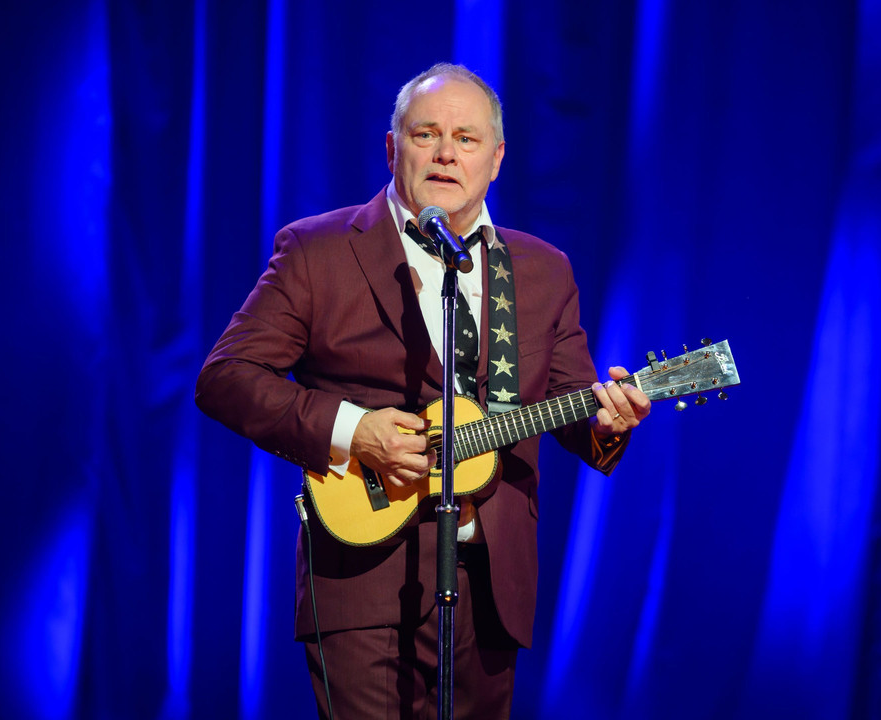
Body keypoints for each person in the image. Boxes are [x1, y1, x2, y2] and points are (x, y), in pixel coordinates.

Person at [195, 62, 650, 719]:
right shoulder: (317, 251)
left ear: (495, 160)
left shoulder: (543, 270)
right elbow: (226, 378)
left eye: (466, 139)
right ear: (391, 147)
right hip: (362, 575)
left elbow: (576, 406)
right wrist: (356, 430)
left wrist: (612, 421)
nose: (445, 153)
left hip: (491, 586)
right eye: (425, 134)